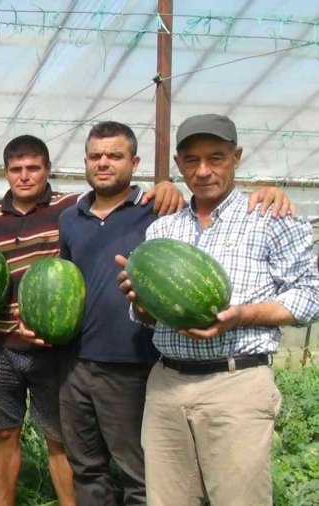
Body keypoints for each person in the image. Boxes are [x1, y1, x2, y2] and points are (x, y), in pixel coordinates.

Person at [57, 121, 292, 506]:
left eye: (115, 156)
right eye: (96, 156)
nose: (104, 163)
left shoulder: (157, 209)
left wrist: (269, 190)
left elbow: (203, 194)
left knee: (143, 475)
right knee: (94, 469)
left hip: (140, 365)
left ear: (134, 163)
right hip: (89, 365)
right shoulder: (76, 218)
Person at [0, 134, 185, 506]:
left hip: (55, 345)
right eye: (16, 169)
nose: (24, 176)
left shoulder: (71, 208)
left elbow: (113, 199)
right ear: (6, 173)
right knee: (4, 433)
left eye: (33, 168)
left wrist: (166, 185)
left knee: (61, 440)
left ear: (47, 169)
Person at [116, 114, 319, 506]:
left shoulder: (270, 217)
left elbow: (311, 296)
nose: (203, 171)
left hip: (236, 383)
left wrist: (241, 315)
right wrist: (140, 304)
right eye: (192, 161)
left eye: (217, 158)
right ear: (178, 164)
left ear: (236, 157)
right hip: (167, 385)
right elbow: (147, 318)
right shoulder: (162, 230)